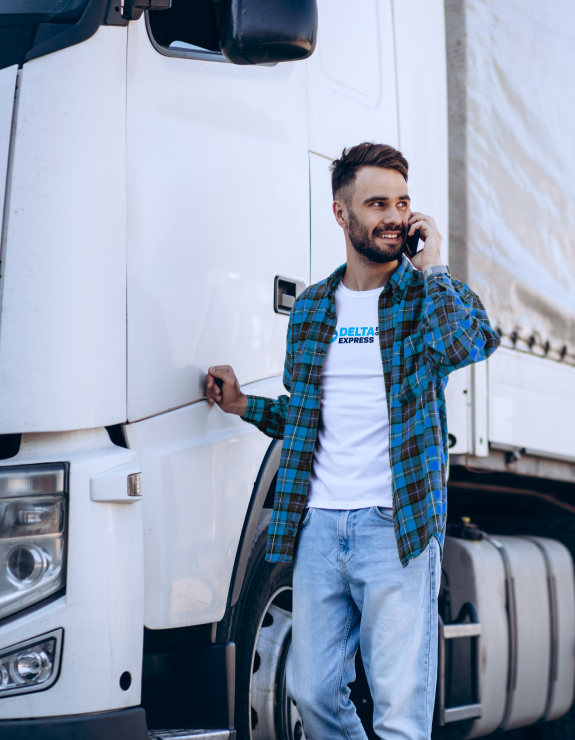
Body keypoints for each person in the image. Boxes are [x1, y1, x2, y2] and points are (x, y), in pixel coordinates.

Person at [205, 142, 499, 740]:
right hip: (317, 527)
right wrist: (242, 405)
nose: (394, 216)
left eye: (402, 203)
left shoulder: (425, 297)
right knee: (311, 693)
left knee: (399, 709)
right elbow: (308, 418)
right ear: (342, 214)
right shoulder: (314, 307)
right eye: (377, 203)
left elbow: (470, 344)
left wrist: (435, 263)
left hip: (398, 528)